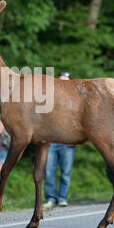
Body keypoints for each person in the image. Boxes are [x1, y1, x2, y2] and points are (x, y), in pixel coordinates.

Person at [43, 72, 77, 210]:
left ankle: (62, 198)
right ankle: (51, 198)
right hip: (52, 140)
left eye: (66, 82)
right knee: (48, 170)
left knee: (66, 171)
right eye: (61, 81)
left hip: (67, 141)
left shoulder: (75, 101)